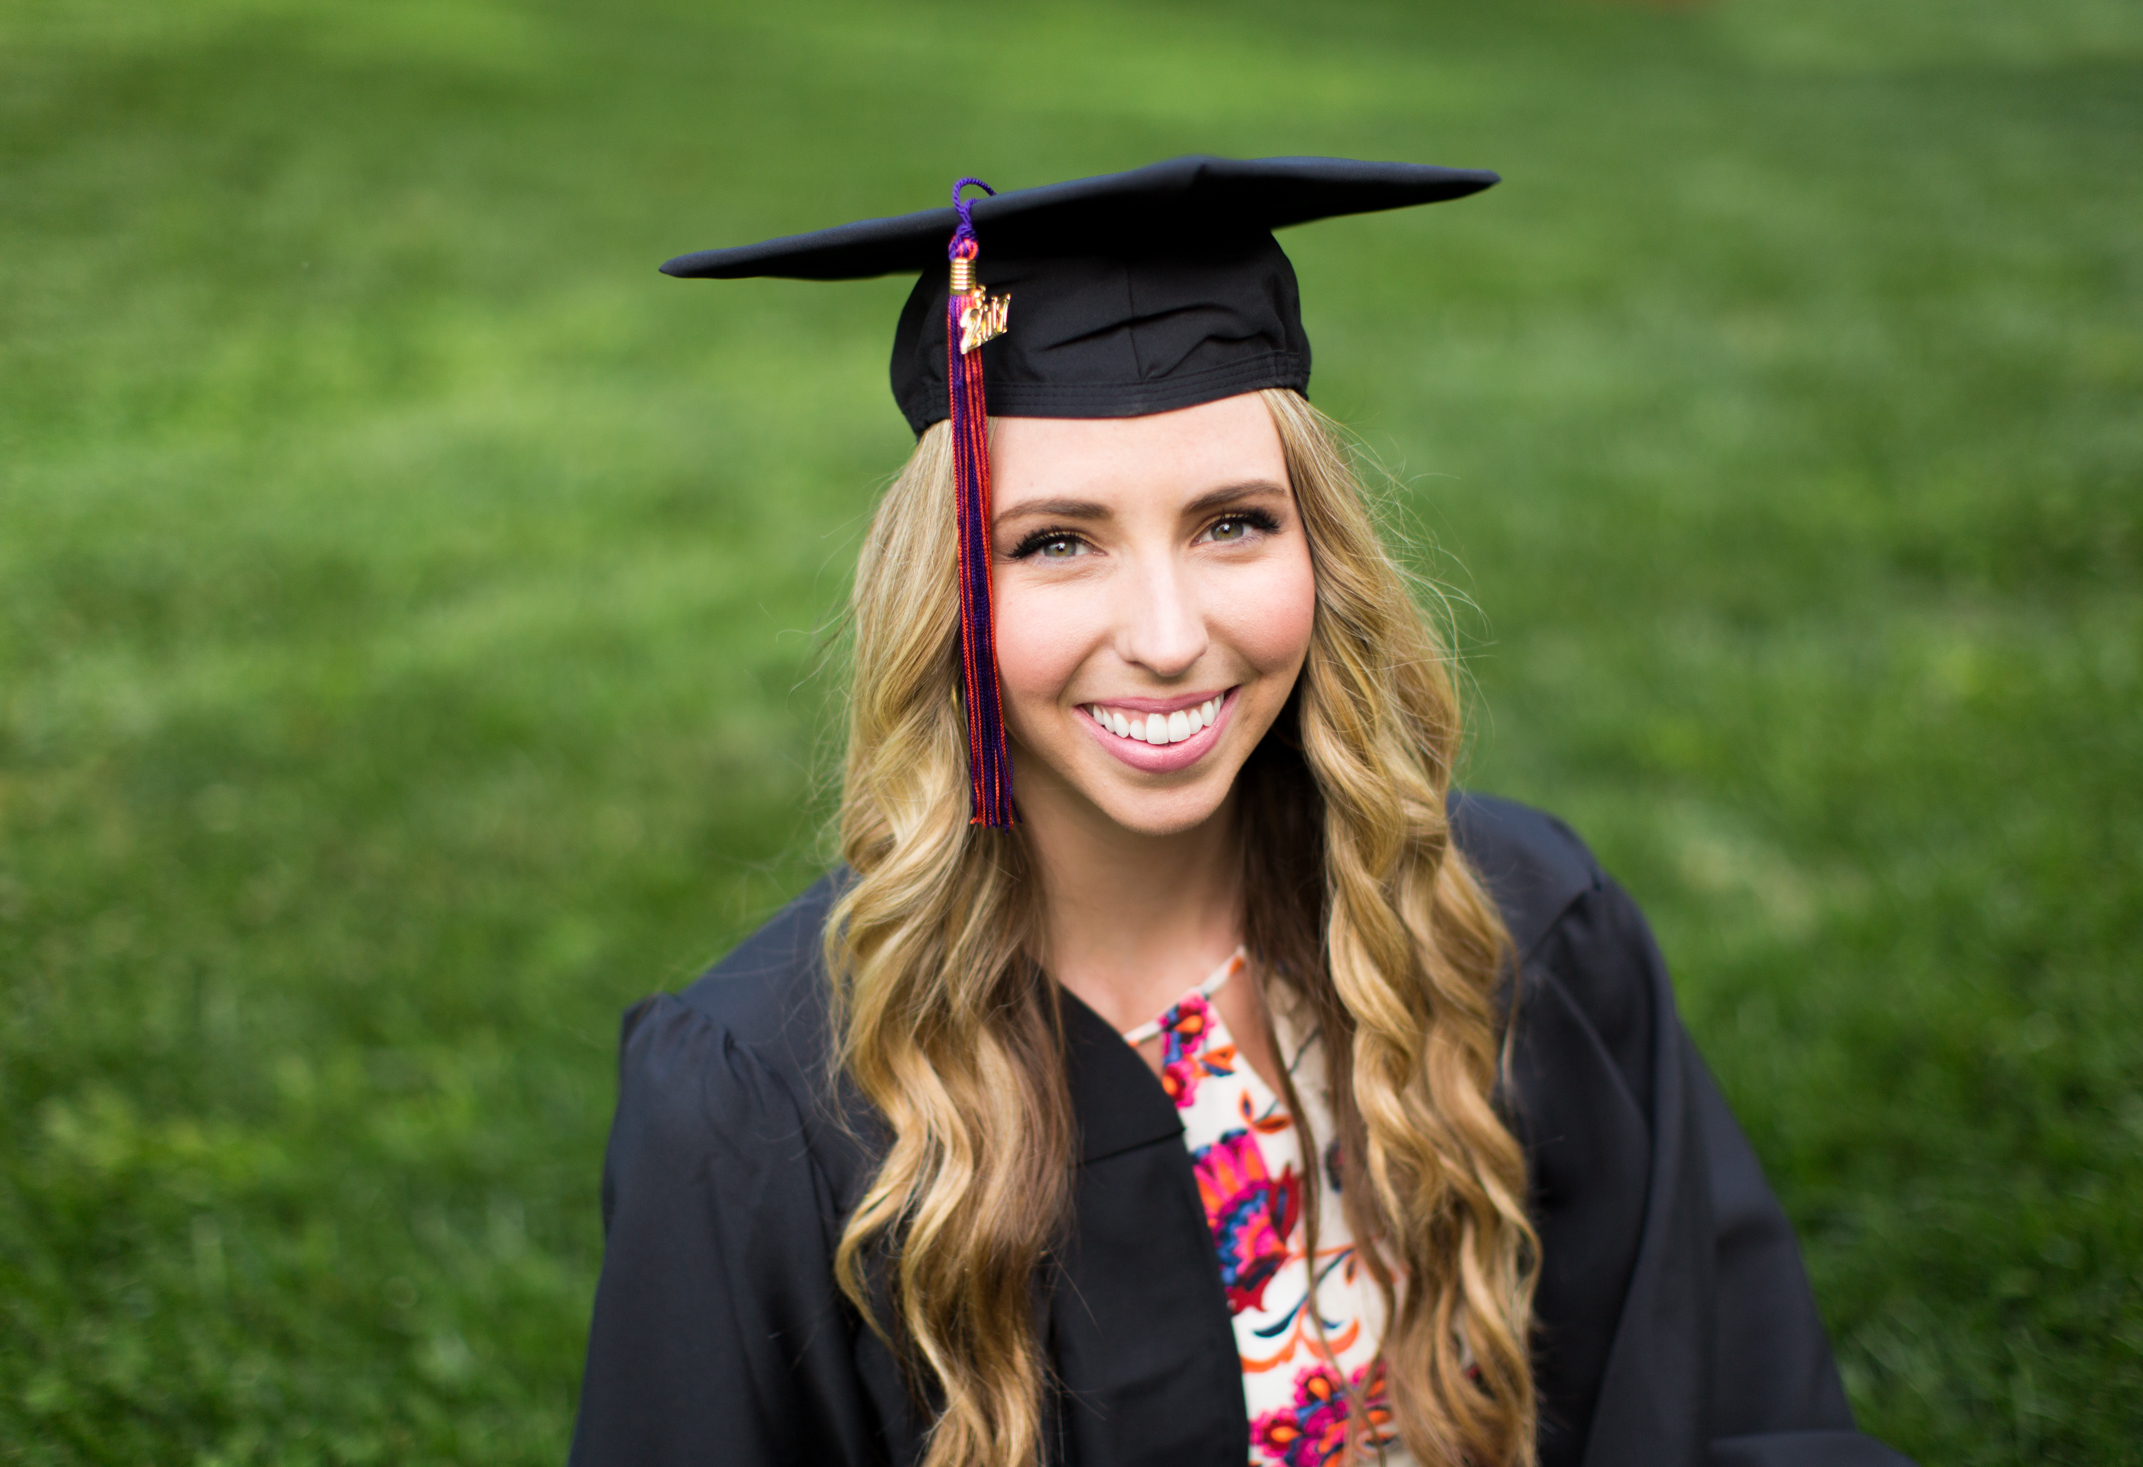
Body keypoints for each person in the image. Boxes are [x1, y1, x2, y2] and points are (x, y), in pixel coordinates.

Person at [568, 157, 1912, 1467]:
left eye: (1233, 524)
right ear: (948, 601)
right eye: (1055, 541)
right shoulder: (771, 1102)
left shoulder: (1510, 926)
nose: (1167, 636)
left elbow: (1721, 1395)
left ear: (1321, 549)